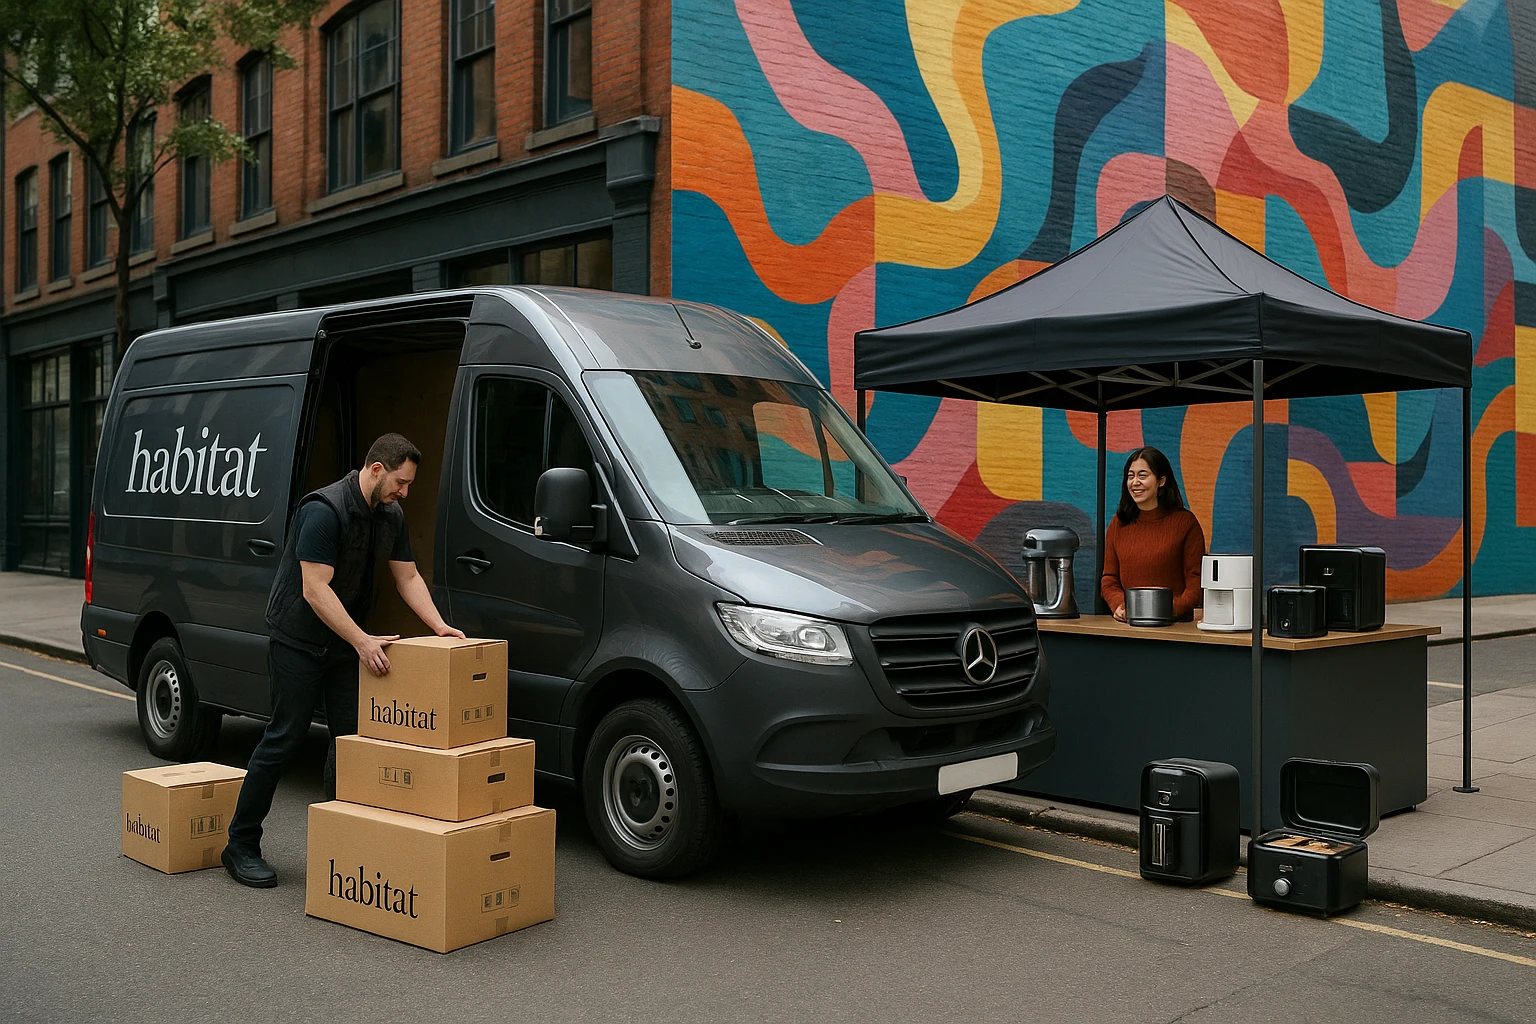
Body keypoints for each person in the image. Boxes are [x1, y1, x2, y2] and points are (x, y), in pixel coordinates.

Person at [223, 433, 464, 888]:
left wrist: (439, 627)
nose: (405, 492)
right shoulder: (323, 510)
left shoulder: (389, 515)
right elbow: (315, 589)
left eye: (409, 485)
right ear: (376, 469)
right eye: (401, 482)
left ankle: (342, 843)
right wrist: (363, 642)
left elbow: (407, 576)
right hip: (297, 637)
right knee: (285, 737)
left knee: (350, 742)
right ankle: (240, 844)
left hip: (342, 642)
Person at [1100, 446, 1206, 623]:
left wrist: (1170, 610)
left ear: (1161, 480)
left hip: (1175, 628)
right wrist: (1120, 606)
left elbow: (1196, 581)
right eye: (1130, 476)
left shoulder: (1186, 523)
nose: (1135, 482)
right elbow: (1109, 579)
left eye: (1142, 475)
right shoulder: (1118, 523)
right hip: (1130, 626)